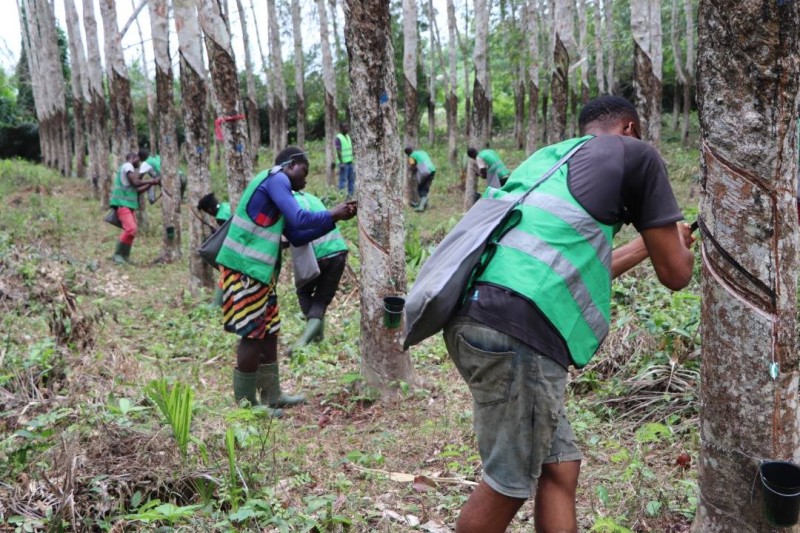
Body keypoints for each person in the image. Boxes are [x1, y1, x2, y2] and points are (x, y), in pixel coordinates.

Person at [443, 95, 695, 533]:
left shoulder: (549, 161)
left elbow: (578, 269)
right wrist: (681, 246)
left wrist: (640, 245)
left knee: (561, 467)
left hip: (473, 315)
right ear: (630, 128)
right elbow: (674, 274)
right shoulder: (637, 154)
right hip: (520, 329)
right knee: (508, 481)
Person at [215, 146, 357, 416]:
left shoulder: (280, 192)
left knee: (269, 332)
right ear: (291, 165)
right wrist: (333, 212)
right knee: (252, 335)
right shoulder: (276, 178)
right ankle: (246, 405)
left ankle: (272, 394)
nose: (306, 179)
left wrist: (336, 219)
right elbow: (300, 217)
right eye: (304, 171)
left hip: (261, 274)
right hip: (246, 270)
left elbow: (298, 234)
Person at [290, 190, 349, 353]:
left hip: (314, 253)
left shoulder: (286, 202)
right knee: (321, 299)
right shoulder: (312, 197)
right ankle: (317, 337)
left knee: (303, 291)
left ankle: (303, 341)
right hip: (338, 251)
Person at [109, 150, 161, 264]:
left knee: (132, 231)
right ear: (134, 158)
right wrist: (152, 180)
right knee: (130, 229)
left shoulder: (130, 170)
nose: (140, 162)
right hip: (122, 204)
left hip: (128, 205)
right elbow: (136, 183)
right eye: (138, 159)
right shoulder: (127, 166)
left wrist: (151, 184)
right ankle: (117, 255)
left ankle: (125, 256)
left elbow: (137, 190)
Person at [404, 146, 436, 212]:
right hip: (432, 169)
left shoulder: (411, 156)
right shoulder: (422, 152)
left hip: (425, 172)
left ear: (407, 154)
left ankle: (421, 207)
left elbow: (413, 168)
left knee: (421, 189)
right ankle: (423, 204)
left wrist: (410, 168)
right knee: (425, 188)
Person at [335, 122, 355, 198]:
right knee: (343, 181)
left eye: (347, 127)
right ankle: (341, 196)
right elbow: (338, 151)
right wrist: (341, 162)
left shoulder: (348, 136)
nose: (347, 129)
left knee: (351, 180)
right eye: (345, 127)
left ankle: (350, 195)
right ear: (341, 129)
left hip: (350, 161)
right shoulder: (338, 138)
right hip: (343, 163)